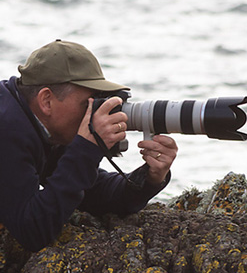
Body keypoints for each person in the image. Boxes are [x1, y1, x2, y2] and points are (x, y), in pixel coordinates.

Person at [0, 40, 177, 252]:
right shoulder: (7, 127)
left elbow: (93, 194)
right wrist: (86, 148)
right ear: (46, 101)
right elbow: (33, 232)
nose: (92, 114)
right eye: (88, 103)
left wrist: (149, 178)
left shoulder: (36, 124)